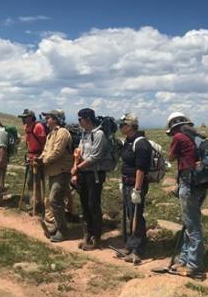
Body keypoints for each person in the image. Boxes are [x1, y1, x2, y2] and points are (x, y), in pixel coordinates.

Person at [165, 112, 207, 279]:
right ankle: (184, 259)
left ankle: (194, 264)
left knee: (192, 225)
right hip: (200, 185)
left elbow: (171, 156)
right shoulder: (196, 138)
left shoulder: (179, 138)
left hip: (188, 184)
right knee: (189, 222)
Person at [71, 108, 109, 250]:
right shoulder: (85, 134)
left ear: (87, 119)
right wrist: (76, 169)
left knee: (93, 205)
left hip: (94, 175)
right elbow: (78, 152)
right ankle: (87, 234)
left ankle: (96, 238)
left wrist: (77, 168)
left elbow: (95, 157)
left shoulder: (99, 134)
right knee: (85, 205)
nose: (79, 122)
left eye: (80, 119)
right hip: (83, 173)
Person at [117, 113, 151, 264]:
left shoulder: (141, 143)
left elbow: (141, 169)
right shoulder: (128, 142)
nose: (120, 127)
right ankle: (131, 245)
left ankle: (138, 249)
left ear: (130, 126)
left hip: (135, 184)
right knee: (131, 215)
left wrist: (137, 190)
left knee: (136, 214)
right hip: (126, 183)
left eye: (122, 125)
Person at [38, 110, 73, 242]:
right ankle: (57, 227)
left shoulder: (62, 133)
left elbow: (57, 152)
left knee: (54, 200)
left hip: (62, 171)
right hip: (53, 171)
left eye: (48, 118)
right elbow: (46, 150)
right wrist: (39, 158)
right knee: (52, 200)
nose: (46, 120)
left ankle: (63, 231)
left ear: (56, 119)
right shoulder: (51, 134)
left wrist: (44, 160)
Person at [19, 109, 47, 214]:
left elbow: (45, 143)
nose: (23, 119)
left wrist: (41, 157)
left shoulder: (38, 127)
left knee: (36, 180)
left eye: (25, 117)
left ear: (31, 117)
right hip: (31, 156)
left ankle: (38, 203)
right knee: (31, 181)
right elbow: (28, 142)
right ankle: (35, 202)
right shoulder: (26, 127)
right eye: (22, 117)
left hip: (38, 157)